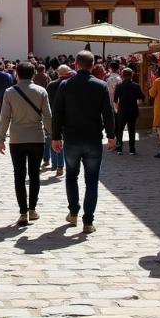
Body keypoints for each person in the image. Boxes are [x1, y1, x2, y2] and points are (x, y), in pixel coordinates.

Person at [53, 50, 116, 234]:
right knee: (92, 181)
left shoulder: (65, 85)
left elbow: (57, 113)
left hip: (71, 139)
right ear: (92, 66)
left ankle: (73, 213)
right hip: (93, 139)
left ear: (76, 65)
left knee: (71, 176)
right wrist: (111, 136)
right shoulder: (100, 85)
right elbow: (108, 113)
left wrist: (56, 136)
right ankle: (88, 221)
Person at [0, 61, 53, 226]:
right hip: (36, 138)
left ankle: (22, 212)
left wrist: (1, 139)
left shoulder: (10, 92)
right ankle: (32, 209)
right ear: (33, 74)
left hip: (17, 139)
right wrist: (52, 134)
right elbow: (48, 116)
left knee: (19, 176)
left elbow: (5, 117)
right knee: (34, 175)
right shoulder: (41, 91)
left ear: (17, 74)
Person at [45, 64, 73, 176]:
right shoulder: (69, 84)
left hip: (53, 115)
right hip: (67, 116)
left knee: (54, 138)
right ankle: (62, 166)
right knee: (64, 141)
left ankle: (55, 164)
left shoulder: (51, 84)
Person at [114, 67, 145, 154]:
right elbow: (142, 97)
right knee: (132, 130)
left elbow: (115, 99)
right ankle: (132, 149)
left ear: (122, 75)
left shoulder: (119, 86)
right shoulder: (136, 86)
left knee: (120, 130)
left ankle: (119, 148)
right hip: (133, 110)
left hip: (122, 111)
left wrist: (117, 109)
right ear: (132, 75)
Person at [0, 62, 14, 136]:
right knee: (7, 115)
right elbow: (12, 87)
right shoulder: (10, 75)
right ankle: (5, 131)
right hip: (9, 97)